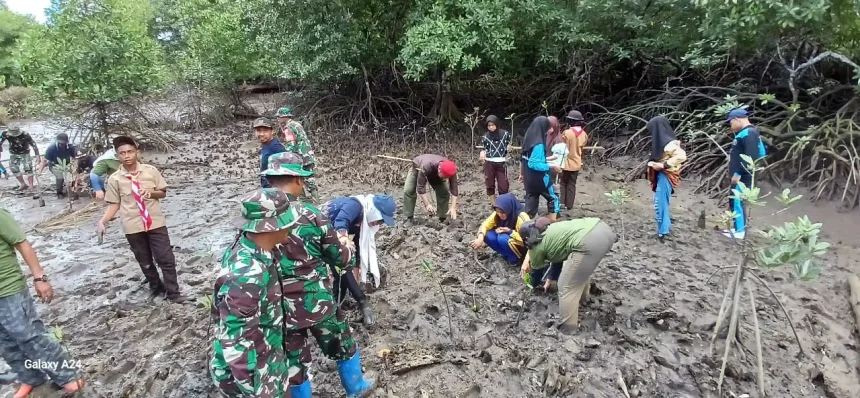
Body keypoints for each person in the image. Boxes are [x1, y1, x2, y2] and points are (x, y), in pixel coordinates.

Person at [261, 153, 374, 398]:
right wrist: (347, 247)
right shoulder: (310, 214)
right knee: (342, 342)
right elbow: (342, 259)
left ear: (269, 180)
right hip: (316, 299)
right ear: (298, 180)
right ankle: (357, 388)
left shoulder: (257, 219)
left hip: (278, 305)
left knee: (292, 363)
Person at [210, 188, 292, 398]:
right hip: (253, 376)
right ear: (270, 227)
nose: (291, 226)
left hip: (268, 356)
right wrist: (259, 390)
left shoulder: (257, 250)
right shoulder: (246, 276)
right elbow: (237, 346)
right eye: (286, 221)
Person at [0, 209, 84, 397]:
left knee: (29, 335)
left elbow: (23, 244)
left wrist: (39, 277)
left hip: (8, 288)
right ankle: (30, 377)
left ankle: (67, 375)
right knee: (5, 342)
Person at [97, 136, 187, 303]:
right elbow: (114, 204)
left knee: (166, 258)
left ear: (137, 152)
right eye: (122, 153)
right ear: (117, 156)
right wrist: (103, 221)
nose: (127, 156)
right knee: (144, 260)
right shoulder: (114, 179)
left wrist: (151, 193)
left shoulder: (150, 171)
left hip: (155, 222)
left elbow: (162, 192)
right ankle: (156, 287)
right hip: (133, 226)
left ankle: (174, 293)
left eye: (130, 151)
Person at [519, 216, 616, 332]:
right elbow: (557, 256)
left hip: (588, 241)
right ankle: (583, 300)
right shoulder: (551, 229)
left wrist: (531, 283)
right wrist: (550, 278)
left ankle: (568, 329)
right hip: (602, 229)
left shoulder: (535, 248)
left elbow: (537, 273)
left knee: (566, 285)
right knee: (579, 272)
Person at [323, 192, 397, 326]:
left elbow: (358, 249)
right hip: (316, 230)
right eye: (380, 220)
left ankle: (337, 304)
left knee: (343, 271)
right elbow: (341, 221)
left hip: (330, 233)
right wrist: (344, 238)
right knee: (341, 266)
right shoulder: (355, 205)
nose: (379, 224)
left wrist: (356, 276)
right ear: (374, 211)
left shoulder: (362, 224)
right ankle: (361, 302)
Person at [724, 109, 767, 239]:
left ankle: (740, 232)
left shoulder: (749, 133)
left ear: (737, 119)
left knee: (737, 201)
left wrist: (738, 173)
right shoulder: (746, 133)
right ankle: (738, 227)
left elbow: (751, 156)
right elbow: (761, 152)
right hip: (740, 174)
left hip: (742, 176)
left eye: (731, 123)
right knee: (733, 200)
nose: (731, 126)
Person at [646, 116, 687, 242]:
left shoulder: (668, 144)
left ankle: (662, 232)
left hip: (666, 175)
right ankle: (665, 227)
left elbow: (682, 156)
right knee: (662, 202)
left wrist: (664, 165)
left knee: (660, 203)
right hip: (663, 175)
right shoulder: (666, 142)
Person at [470, 193, 531, 265]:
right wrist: (480, 238)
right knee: (487, 234)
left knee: (502, 238)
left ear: (508, 209)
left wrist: (510, 231)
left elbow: (528, 240)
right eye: (497, 212)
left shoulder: (521, 217)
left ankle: (515, 259)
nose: (499, 215)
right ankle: (506, 254)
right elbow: (485, 224)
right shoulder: (497, 214)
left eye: (502, 212)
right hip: (509, 240)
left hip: (522, 246)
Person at [521, 116, 561, 220]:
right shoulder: (538, 144)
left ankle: (528, 221)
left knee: (531, 198)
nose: (549, 130)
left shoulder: (528, 140)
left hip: (529, 179)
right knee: (553, 197)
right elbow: (533, 163)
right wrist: (552, 166)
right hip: (540, 179)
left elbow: (526, 159)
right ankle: (552, 219)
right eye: (548, 128)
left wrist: (522, 174)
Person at [275, 107, 317, 199]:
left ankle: (302, 200)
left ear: (284, 117)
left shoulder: (288, 128)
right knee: (310, 179)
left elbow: (291, 144)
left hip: (299, 157)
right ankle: (316, 199)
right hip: (308, 155)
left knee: (296, 179)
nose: (277, 119)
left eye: (279, 117)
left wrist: (284, 157)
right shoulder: (297, 124)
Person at [403, 154, 459, 223]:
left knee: (443, 192)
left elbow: (454, 189)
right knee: (409, 190)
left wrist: (453, 207)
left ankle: (442, 218)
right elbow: (421, 187)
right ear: (439, 170)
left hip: (435, 174)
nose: (445, 179)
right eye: (444, 177)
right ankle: (409, 217)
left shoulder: (451, 170)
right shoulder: (426, 166)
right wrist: (427, 204)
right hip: (418, 168)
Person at [479, 115, 512, 206]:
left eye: (493, 125)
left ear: (497, 124)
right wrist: (482, 153)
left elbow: (509, 144)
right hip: (489, 162)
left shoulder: (505, 134)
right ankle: (493, 205)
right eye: (489, 126)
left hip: (501, 162)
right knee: (490, 184)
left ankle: (503, 204)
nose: (491, 127)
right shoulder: (485, 137)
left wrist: (509, 148)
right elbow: (484, 149)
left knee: (503, 186)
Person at [559, 110, 588, 211]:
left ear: (572, 121)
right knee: (572, 184)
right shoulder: (584, 134)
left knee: (563, 183)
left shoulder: (567, 133)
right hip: (576, 163)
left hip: (566, 163)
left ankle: (562, 203)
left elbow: (561, 146)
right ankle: (569, 205)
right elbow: (582, 147)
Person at [0, 127, 40, 192]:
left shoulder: (25, 134)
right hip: (13, 153)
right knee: (13, 169)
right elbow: (0, 142)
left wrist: (37, 156)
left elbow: (33, 144)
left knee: (28, 169)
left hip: (25, 152)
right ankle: (23, 184)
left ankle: (31, 186)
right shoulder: (5, 133)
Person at [37, 133, 77, 198]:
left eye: (63, 143)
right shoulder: (51, 148)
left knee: (76, 174)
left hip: (67, 164)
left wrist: (75, 168)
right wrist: (39, 171)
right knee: (60, 177)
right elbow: (44, 160)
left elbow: (75, 158)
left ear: (67, 142)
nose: (61, 145)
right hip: (54, 165)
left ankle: (74, 189)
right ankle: (59, 192)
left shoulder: (70, 147)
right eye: (59, 143)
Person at [254, 118, 286, 189]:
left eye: (265, 130)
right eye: (258, 130)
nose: (261, 134)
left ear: (272, 131)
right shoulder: (266, 145)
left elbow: (288, 170)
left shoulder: (276, 147)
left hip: (276, 190)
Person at [545, 116, 567, 196]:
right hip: (548, 165)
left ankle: (555, 203)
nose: (548, 129)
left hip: (554, 167)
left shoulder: (558, 140)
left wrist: (544, 159)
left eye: (550, 127)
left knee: (553, 189)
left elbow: (557, 157)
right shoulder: (548, 135)